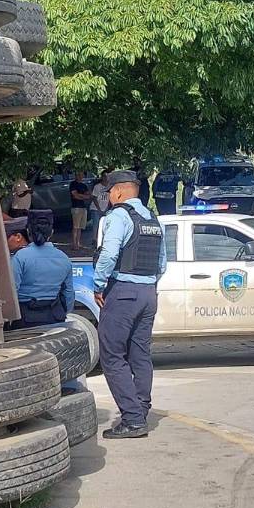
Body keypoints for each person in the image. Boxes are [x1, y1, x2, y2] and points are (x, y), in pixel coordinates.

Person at [93, 170, 166, 439]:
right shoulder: (153, 219)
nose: (109, 197)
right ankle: (141, 410)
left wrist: (98, 285)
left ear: (119, 192)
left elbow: (110, 253)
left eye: (109, 192)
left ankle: (133, 420)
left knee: (112, 356)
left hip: (123, 293)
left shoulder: (118, 217)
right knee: (140, 355)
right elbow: (162, 264)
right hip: (148, 292)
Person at [10, 210, 74, 328]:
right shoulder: (64, 258)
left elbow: (12, 290)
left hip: (24, 320)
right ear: (52, 232)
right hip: (54, 318)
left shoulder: (20, 257)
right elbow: (68, 295)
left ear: (28, 231)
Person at [69, 170, 92, 251]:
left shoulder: (84, 185)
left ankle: (78, 243)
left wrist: (81, 196)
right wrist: (83, 196)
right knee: (75, 226)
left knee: (80, 227)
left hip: (83, 207)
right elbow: (75, 195)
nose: (80, 176)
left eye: (81, 175)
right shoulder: (73, 184)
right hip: (76, 207)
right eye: (78, 174)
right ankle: (74, 244)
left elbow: (89, 196)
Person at [89, 169, 112, 248]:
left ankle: (103, 240)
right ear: (102, 177)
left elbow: (110, 199)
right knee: (96, 224)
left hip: (105, 208)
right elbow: (94, 198)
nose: (106, 178)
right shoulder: (97, 186)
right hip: (96, 208)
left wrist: (107, 208)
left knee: (105, 225)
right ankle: (94, 240)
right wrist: (99, 208)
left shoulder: (110, 187)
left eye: (108, 176)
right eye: (105, 176)